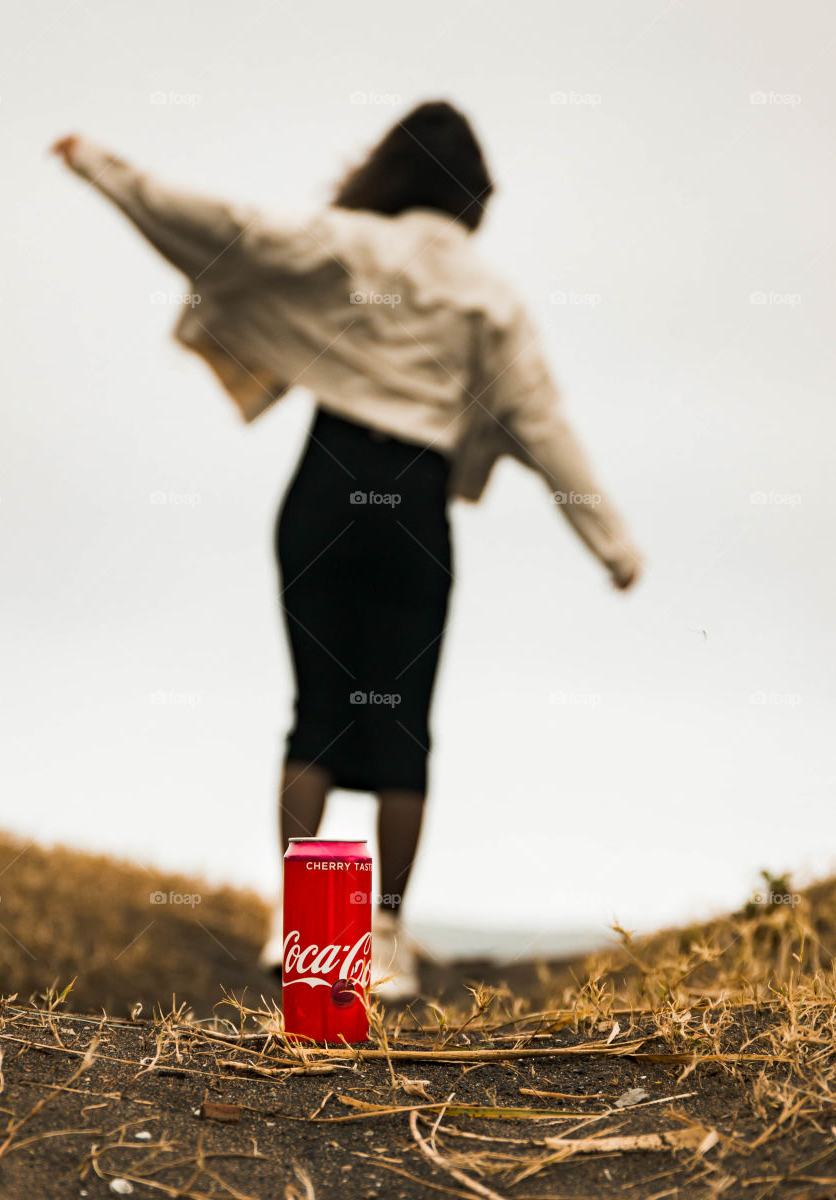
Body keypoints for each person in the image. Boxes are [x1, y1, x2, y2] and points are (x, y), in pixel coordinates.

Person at [52, 100, 642, 1000]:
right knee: (404, 722)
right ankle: (385, 937)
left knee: (317, 710)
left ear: (390, 171)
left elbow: (223, 228)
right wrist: (613, 545)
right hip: (414, 502)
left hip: (326, 487)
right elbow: (544, 424)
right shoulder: (492, 297)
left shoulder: (349, 243)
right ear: (476, 192)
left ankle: (300, 924)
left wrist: (103, 166)